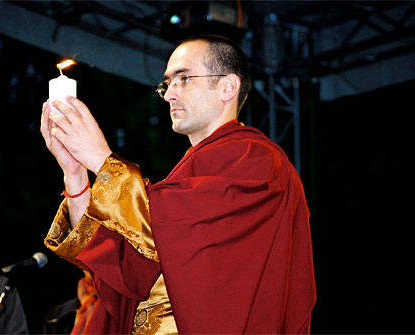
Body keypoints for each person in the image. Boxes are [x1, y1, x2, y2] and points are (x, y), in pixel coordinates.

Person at [41, 34, 316, 334]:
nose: (169, 93)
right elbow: (116, 263)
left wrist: (102, 160)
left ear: (227, 87)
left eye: (183, 79)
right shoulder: (184, 179)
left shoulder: (259, 161)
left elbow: (172, 233)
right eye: (167, 83)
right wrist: (76, 174)